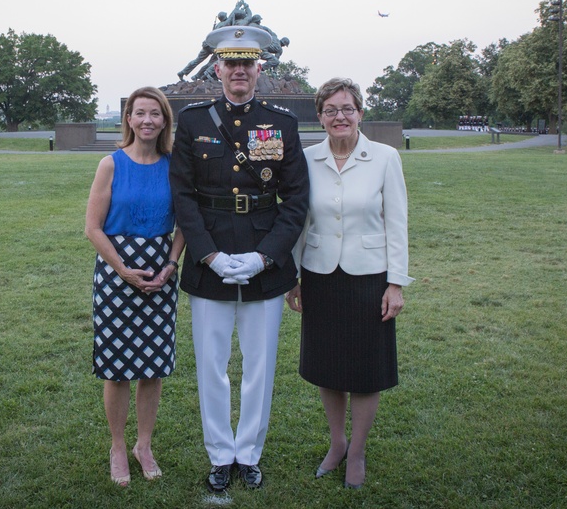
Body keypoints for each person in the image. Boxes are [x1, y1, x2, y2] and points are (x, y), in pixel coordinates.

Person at [169, 24, 309, 492]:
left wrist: (266, 258)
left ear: (259, 69)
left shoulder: (282, 123)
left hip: (263, 260)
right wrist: (207, 255)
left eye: (247, 64)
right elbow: (183, 197)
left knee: (259, 366)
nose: (239, 72)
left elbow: (296, 200)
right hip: (209, 259)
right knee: (211, 366)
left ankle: (248, 453)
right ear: (217, 68)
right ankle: (219, 453)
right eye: (231, 64)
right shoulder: (192, 122)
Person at [286, 77, 412, 490]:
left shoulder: (385, 157)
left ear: (360, 112)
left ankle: (357, 451)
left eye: (347, 109)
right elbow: (299, 221)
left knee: (365, 369)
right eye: (330, 110)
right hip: (320, 276)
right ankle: (336, 443)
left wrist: (396, 284)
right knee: (327, 366)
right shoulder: (306, 159)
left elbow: (397, 222)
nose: (339, 116)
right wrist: (295, 277)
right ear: (319, 116)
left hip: (369, 278)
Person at [85, 86, 186, 487]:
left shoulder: (175, 165)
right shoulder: (110, 164)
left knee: (152, 368)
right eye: (139, 113)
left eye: (155, 114)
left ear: (164, 121)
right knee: (117, 369)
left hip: (161, 274)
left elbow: (184, 224)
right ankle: (117, 446)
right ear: (128, 118)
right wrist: (124, 270)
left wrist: (170, 264)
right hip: (116, 275)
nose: (147, 120)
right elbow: (92, 228)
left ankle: (144, 445)